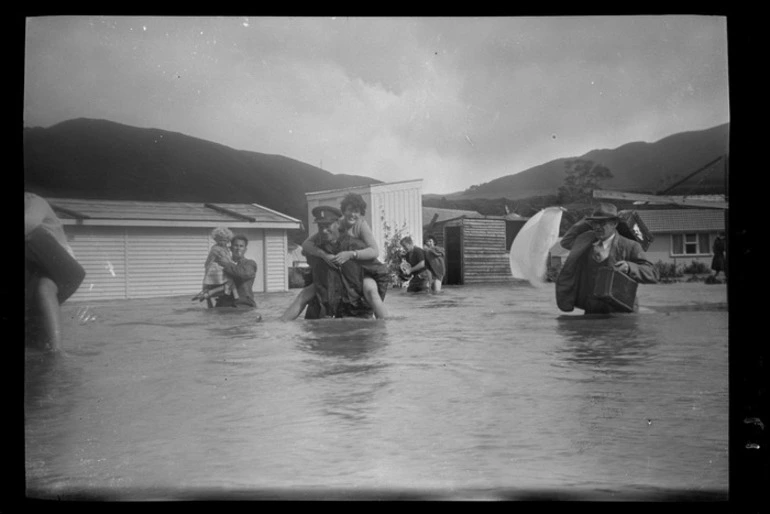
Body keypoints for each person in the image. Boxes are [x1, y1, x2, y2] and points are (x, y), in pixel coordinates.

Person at [280, 206, 389, 320]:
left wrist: (369, 291)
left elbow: (379, 271)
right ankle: (279, 323)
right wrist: (323, 255)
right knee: (306, 293)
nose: (323, 230)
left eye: (327, 226)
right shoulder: (317, 248)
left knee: (371, 290)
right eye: (320, 226)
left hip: (353, 299)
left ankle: (385, 326)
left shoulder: (354, 246)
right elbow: (307, 251)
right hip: (329, 292)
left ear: (338, 224)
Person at [556, 203, 658, 314]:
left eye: (602, 223)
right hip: (592, 311)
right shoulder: (586, 242)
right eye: (594, 223)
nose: (597, 227)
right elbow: (566, 241)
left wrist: (629, 267)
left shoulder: (630, 246)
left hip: (621, 311)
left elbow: (653, 273)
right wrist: (586, 221)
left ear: (614, 223)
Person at [25, 192, 86, 352]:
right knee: (43, 291)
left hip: (63, 265)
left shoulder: (34, 201)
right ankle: (50, 347)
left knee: (35, 234)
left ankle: (56, 351)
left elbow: (29, 223)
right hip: (38, 270)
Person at [210, 234, 259, 312]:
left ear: (245, 249)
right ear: (230, 248)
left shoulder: (249, 263)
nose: (238, 248)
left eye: (241, 246)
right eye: (236, 245)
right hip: (223, 307)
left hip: (244, 306)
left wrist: (227, 264)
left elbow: (243, 274)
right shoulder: (221, 264)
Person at [192, 227, 238, 308]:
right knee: (229, 282)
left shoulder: (225, 248)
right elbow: (210, 260)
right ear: (216, 239)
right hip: (217, 270)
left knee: (230, 284)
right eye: (220, 240)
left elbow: (228, 258)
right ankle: (209, 296)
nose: (222, 242)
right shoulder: (216, 249)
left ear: (228, 240)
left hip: (222, 268)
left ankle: (208, 296)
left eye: (224, 240)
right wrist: (207, 269)